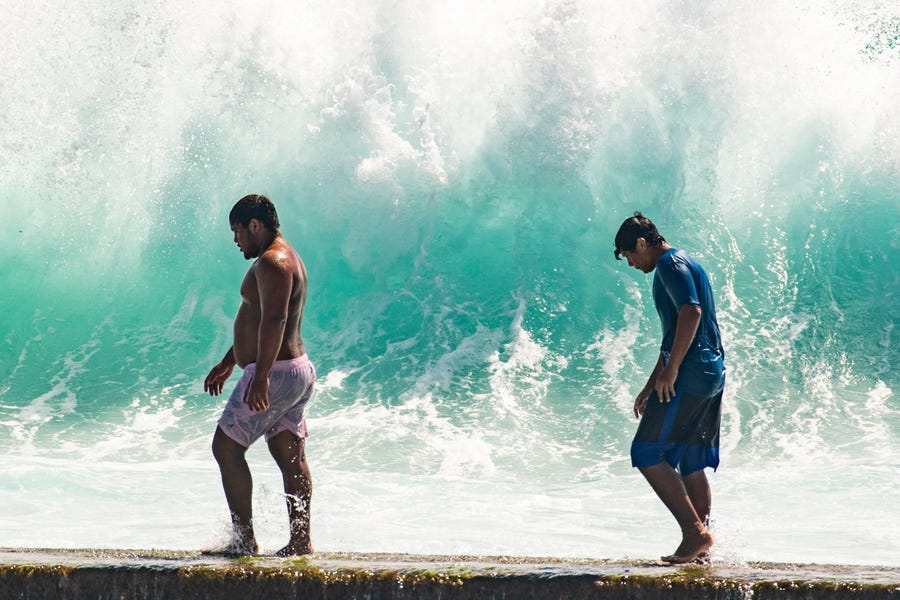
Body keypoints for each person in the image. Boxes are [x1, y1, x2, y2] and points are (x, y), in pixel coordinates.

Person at [203, 194, 316, 556]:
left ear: (256, 225)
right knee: (289, 456)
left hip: (277, 372)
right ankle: (300, 542)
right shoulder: (284, 258)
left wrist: (261, 376)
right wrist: (230, 360)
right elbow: (255, 317)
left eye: (238, 231)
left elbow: (274, 320)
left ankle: (244, 541)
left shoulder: (273, 263)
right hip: (293, 371)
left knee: (226, 448)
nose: (236, 240)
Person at [613, 212, 725, 564]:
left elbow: (690, 313)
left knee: (647, 453)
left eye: (629, 254)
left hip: (690, 374)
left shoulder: (668, 265)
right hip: (710, 372)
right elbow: (677, 330)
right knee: (691, 460)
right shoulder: (686, 260)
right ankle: (701, 550)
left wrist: (673, 369)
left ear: (643, 243)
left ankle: (694, 533)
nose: (631, 263)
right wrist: (652, 382)